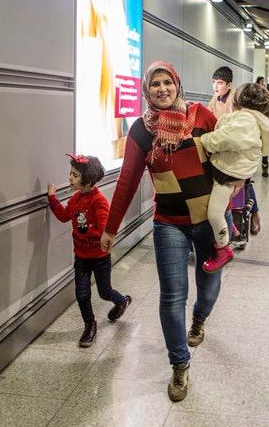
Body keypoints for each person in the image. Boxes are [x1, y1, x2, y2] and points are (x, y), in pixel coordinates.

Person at [100, 61, 236, 402]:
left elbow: (232, 155)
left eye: (167, 82)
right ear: (147, 91)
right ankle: (179, 363)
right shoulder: (141, 131)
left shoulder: (202, 116)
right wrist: (110, 228)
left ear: (177, 84)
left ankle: (200, 318)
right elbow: (127, 182)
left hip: (209, 220)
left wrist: (235, 188)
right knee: (172, 295)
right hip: (168, 223)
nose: (162, 88)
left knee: (207, 287)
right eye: (155, 84)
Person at [47, 154, 131, 348]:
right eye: (71, 173)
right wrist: (52, 199)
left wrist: (103, 235)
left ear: (89, 180)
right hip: (81, 257)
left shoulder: (99, 201)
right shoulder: (76, 199)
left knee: (104, 292)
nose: (70, 178)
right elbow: (63, 215)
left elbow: (105, 225)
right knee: (82, 293)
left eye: (75, 175)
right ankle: (89, 325)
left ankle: (121, 302)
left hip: (100, 257)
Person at [200, 83, 269, 273]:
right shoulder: (257, 121)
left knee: (214, 213)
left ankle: (222, 250)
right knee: (224, 204)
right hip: (241, 171)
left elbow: (224, 139)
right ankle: (232, 229)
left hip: (228, 172)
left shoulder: (243, 120)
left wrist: (203, 141)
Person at [207, 67, 263, 235]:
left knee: (243, 183)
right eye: (214, 83)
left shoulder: (234, 100)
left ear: (229, 85)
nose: (216, 86)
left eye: (220, 83)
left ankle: (254, 215)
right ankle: (237, 224)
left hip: (237, 151)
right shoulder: (214, 99)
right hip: (223, 148)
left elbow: (237, 130)